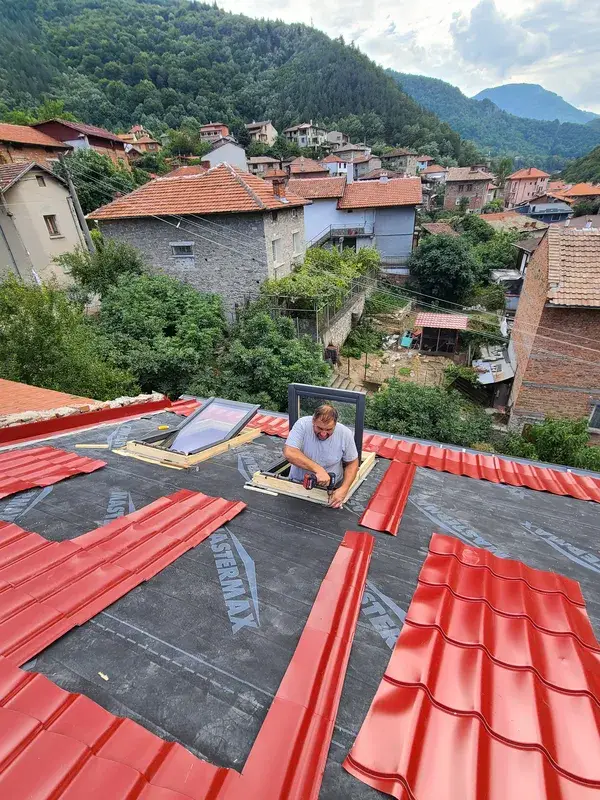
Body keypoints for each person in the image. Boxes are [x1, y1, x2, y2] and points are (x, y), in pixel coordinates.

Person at [283, 404, 359, 508]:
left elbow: (352, 463)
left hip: (332, 489)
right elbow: (289, 452)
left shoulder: (345, 434)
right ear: (313, 421)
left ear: (335, 424)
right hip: (297, 485)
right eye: (319, 428)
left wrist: (344, 488)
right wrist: (319, 470)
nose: (323, 433)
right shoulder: (302, 425)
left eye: (329, 430)